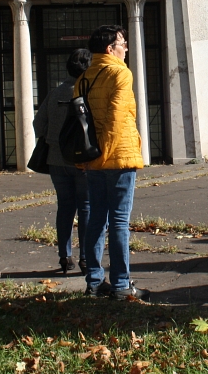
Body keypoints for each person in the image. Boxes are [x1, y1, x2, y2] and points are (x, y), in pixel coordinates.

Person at [78, 24, 149, 301]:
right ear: (110, 49)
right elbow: (117, 118)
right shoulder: (120, 72)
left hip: (93, 159)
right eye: (123, 43)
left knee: (96, 218)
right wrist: (105, 154)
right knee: (119, 221)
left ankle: (94, 282)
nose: (126, 48)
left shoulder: (84, 77)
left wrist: (91, 157)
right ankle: (121, 285)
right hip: (117, 156)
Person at [32, 48, 92, 275]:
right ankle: (86, 257)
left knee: (65, 208)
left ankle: (65, 256)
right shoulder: (88, 94)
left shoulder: (55, 93)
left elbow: (38, 124)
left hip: (56, 159)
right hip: (84, 161)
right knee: (86, 208)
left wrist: (53, 138)